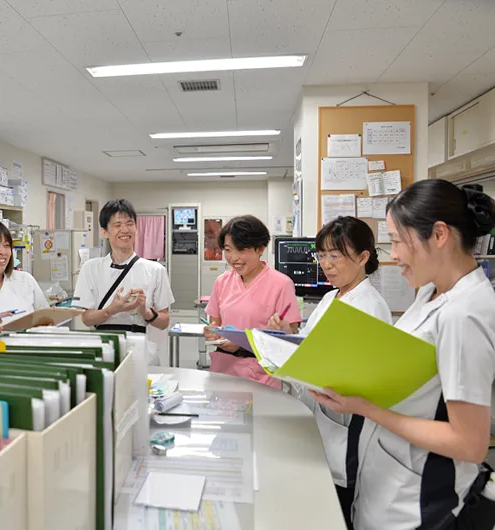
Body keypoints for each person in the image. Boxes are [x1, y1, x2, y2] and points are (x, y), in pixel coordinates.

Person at [312, 180, 495, 530]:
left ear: (439, 235)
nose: (393, 255)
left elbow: (469, 444)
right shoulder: (431, 291)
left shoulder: (465, 313)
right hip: (388, 478)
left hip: (420, 499)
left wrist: (364, 406)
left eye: (397, 240)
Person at [268, 216, 392, 528]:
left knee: (340, 510)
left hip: (346, 429)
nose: (326, 264)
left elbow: (362, 374)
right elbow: (315, 347)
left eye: (335, 256)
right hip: (319, 421)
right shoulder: (330, 297)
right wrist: (286, 337)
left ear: (363, 257)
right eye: (321, 255)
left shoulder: (370, 306)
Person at [203, 215, 301, 388]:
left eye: (241, 250)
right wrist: (212, 333)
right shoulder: (222, 281)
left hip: (261, 374)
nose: (233, 258)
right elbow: (215, 322)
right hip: (223, 371)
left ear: (260, 249)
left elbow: (291, 335)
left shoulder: (281, 284)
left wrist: (243, 344)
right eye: (228, 249)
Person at [72, 199, 174, 365]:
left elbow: (164, 322)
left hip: (141, 350)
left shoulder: (155, 270)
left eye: (130, 223)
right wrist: (112, 309)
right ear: (104, 231)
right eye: (117, 224)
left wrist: (145, 311)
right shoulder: (91, 268)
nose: (125, 230)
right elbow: (86, 319)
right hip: (103, 348)